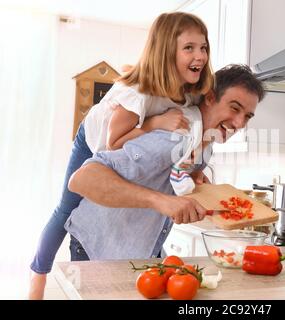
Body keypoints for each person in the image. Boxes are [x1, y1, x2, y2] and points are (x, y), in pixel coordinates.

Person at [29, 12, 214, 299]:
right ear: (166, 51)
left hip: (127, 144)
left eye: (203, 47)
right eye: (188, 47)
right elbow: (113, 142)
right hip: (95, 141)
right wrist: (155, 123)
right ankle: (37, 277)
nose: (199, 55)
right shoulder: (139, 91)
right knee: (67, 209)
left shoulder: (189, 94)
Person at [64, 64, 265, 261]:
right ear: (211, 97)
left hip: (139, 247)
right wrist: (161, 201)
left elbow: (166, 177)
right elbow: (82, 179)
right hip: (97, 246)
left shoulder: (207, 144)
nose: (239, 124)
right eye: (234, 108)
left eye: (247, 116)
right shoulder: (175, 136)